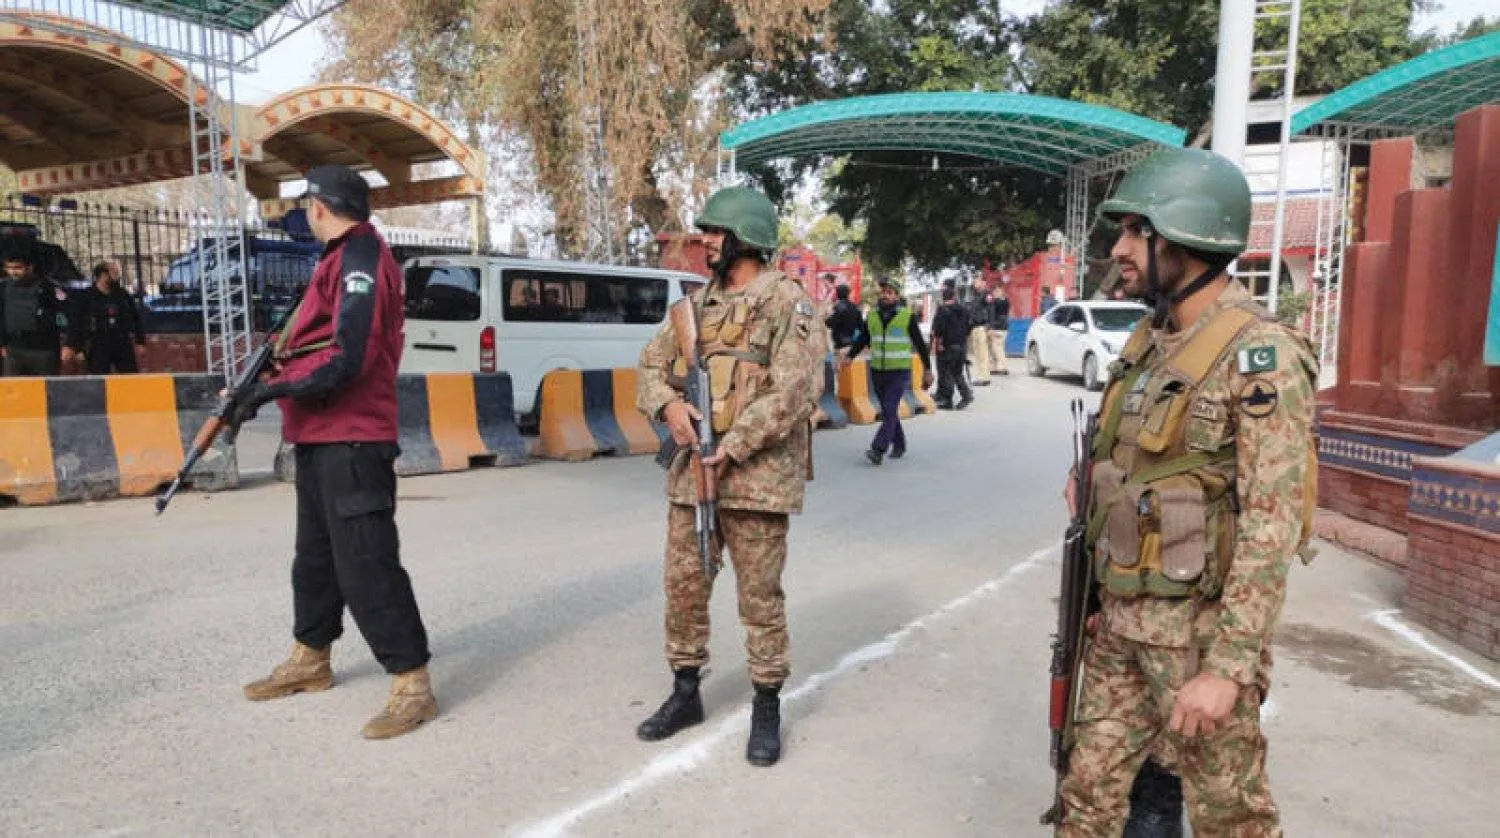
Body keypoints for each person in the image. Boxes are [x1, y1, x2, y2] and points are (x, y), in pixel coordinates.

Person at [1056, 147, 1317, 837]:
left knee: (1232, 816)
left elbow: (1272, 523)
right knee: (1084, 795)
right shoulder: (1147, 344)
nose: (1120, 249)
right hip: (1119, 623)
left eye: (1135, 232)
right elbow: (1127, 467)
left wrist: (1228, 669)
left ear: (1185, 237)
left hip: (1198, 643)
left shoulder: (1259, 357)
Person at [231, 165, 437, 740]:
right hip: (319, 435)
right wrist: (266, 382)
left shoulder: (362, 260)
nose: (304, 215)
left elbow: (349, 357)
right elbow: (311, 346)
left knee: (366, 560)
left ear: (319, 207)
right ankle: (310, 658)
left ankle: (411, 682)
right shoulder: (334, 260)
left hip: (354, 435)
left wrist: (271, 391)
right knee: (316, 558)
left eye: (305, 207)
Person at [635, 185, 825, 767]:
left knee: (759, 598)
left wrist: (734, 444)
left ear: (746, 237)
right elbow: (649, 367)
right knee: (684, 588)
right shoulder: (695, 308)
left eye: (716, 232)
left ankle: (766, 704)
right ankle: (685, 691)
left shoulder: (786, 302)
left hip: (757, 480)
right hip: (694, 476)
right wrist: (668, 407)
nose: (706, 242)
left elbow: (795, 389)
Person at [844, 278, 930, 465]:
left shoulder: (907, 316)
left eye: (889, 292)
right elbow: (863, 339)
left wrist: (928, 369)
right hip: (877, 371)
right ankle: (899, 444)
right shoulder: (872, 316)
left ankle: (878, 448)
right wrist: (850, 356)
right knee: (888, 411)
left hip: (899, 372)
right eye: (883, 292)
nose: (885, 295)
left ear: (896, 296)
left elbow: (920, 345)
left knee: (890, 409)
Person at [0, 243, 72, 376]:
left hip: (43, 351)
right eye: (9, 268)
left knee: (44, 392)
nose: (13, 272)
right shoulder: (4, 288)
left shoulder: (47, 288)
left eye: (18, 268)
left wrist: (67, 345)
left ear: (30, 267)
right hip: (14, 350)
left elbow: (65, 316)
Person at [72, 261, 146, 374]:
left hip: (121, 341)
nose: (117, 275)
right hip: (98, 343)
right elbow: (77, 322)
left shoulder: (122, 294)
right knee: (99, 378)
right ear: (103, 275)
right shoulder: (87, 296)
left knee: (129, 376)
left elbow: (135, 317)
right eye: (113, 272)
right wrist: (78, 348)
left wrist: (140, 341)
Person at [930, 284, 973, 410]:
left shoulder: (942, 310)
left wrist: (938, 343)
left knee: (946, 373)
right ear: (954, 296)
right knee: (957, 373)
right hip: (961, 345)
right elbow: (969, 326)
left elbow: (938, 330)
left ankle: (947, 401)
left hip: (947, 346)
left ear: (943, 297)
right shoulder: (964, 309)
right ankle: (966, 395)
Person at [965, 283, 992, 386]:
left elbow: (990, 306)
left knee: (983, 354)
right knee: (977, 354)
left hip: (981, 327)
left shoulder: (985, 295)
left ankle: (985, 378)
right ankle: (981, 376)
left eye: (978, 281)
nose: (976, 283)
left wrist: (989, 326)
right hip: (974, 328)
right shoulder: (974, 298)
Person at [824, 283, 862, 351]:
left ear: (837, 294)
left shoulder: (838, 307)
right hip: (851, 343)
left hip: (840, 344)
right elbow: (861, 326)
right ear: (848, 294)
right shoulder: (855, 307)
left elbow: (830, 323)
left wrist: (826, 319)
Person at [987, 292, 1010, 376]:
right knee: (995, 348)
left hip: (997, 328)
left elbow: (992, 315)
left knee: (997, 348)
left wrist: (991, 327)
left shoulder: (995, 302)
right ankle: (994, 367)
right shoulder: (1006, 301)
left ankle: (1002, 367)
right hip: (1003, 327)